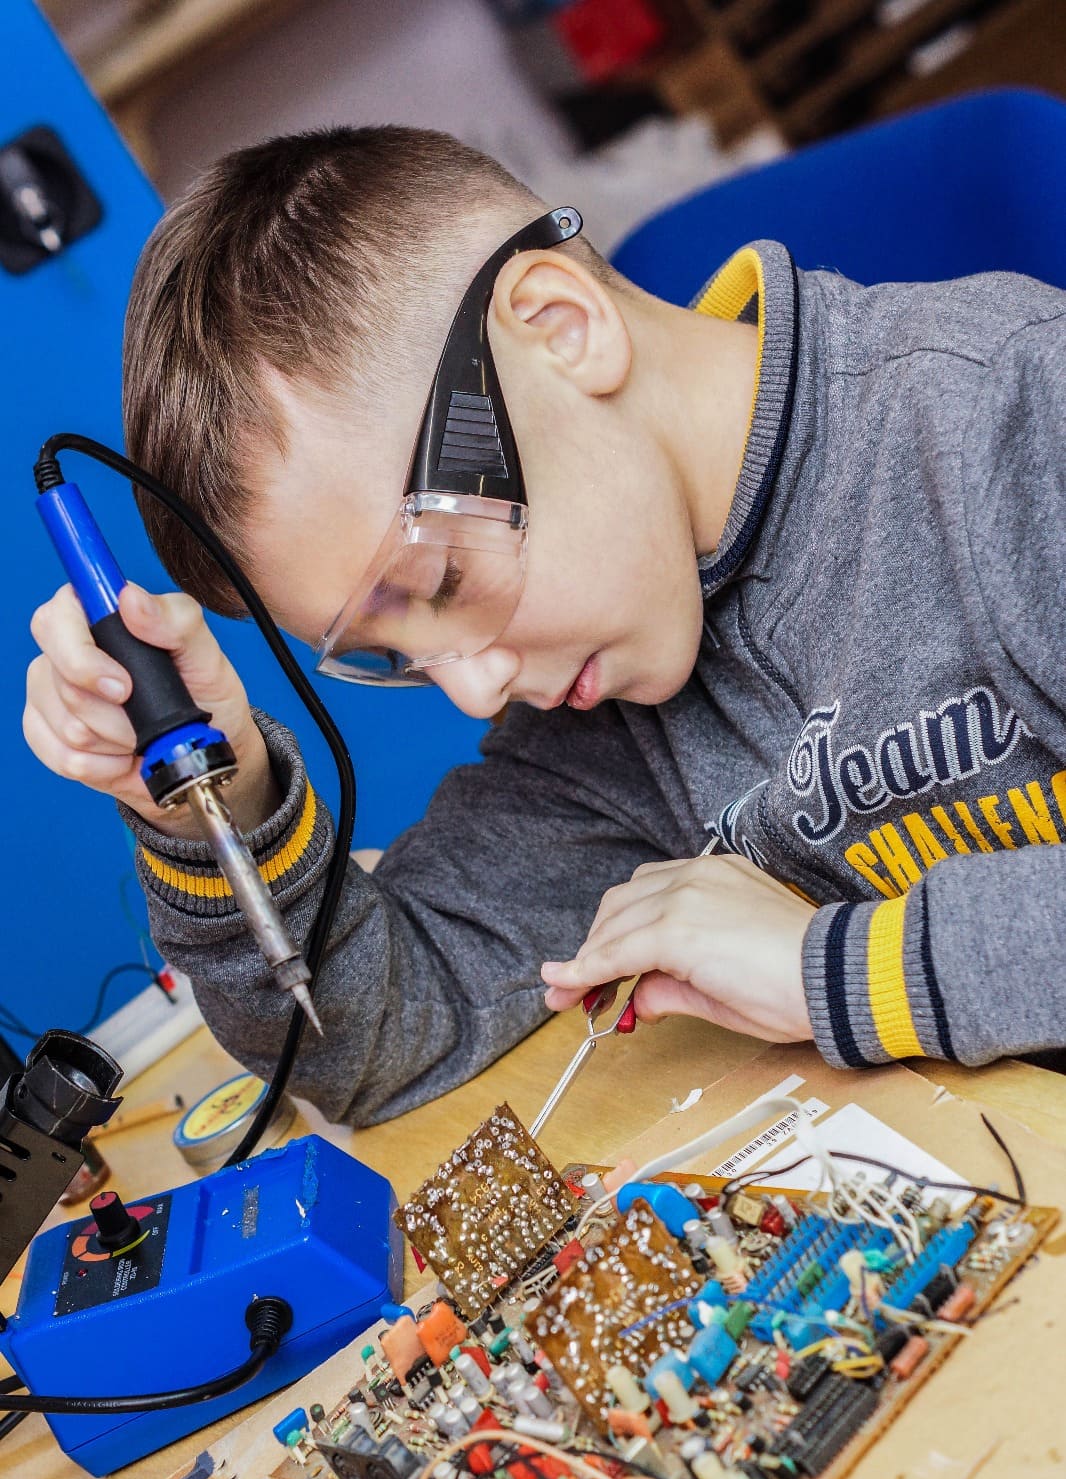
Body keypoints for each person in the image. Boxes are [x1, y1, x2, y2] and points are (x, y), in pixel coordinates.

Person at [23, 127, 1066, 1126]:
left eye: (440, 581)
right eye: (394, 656)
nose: (474, 690)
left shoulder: (1013, 414)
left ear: (563, 329)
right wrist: (220, 801)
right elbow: (381, 1036)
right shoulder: (599, 712)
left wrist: (838, 972)